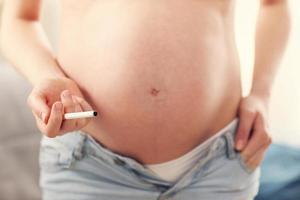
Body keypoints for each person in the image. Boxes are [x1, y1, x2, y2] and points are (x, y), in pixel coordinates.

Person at [1, 0, 291, 199]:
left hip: (217, 165)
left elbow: (275, 5)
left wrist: (261, 96)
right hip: (90, 167)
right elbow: (17, 18)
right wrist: (45, 76)